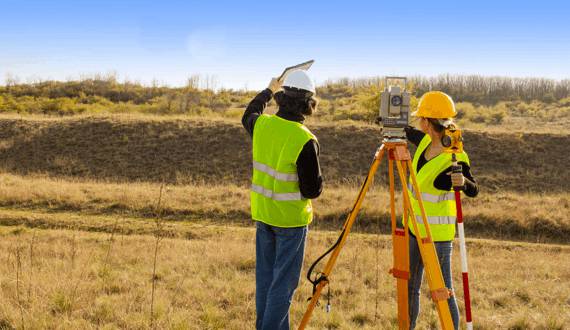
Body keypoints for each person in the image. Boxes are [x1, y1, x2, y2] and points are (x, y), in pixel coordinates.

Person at [242, 70, 323, 330]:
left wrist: (269, 89)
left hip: (264, 215)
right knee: (283, 286)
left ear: (281, 97)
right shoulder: (304, 139)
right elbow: (312, 190)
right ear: (309, 104)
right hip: (290, 222)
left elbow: (248, 113)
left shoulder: (262, 125)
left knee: (266, 281)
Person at [404, 91, 479, 329]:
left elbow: (473, 189)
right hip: (415, 228)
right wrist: (390, 123)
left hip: (438, 236)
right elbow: (410, 133)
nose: (418, 122)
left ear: (427, 121)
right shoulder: (426, 140)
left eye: (420, 118)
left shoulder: (454, 155)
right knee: (410, 286)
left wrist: (463, 183)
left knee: (443, 291)